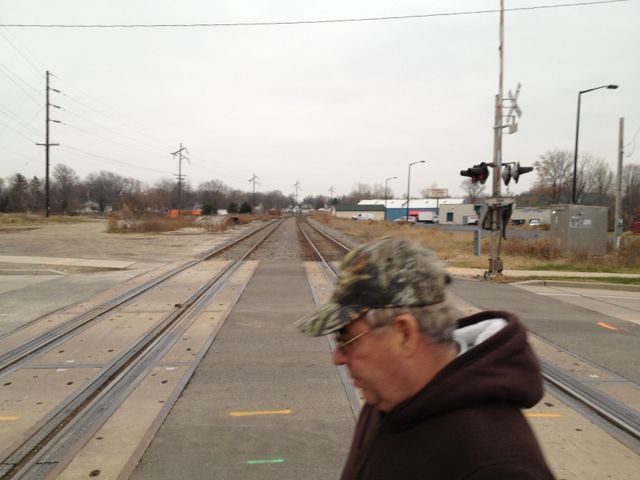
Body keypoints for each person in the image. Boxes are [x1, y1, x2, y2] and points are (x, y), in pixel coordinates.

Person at [294, 237, 554, 480]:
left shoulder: (498, 466)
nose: (337, 358)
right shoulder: (387, 396)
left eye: (346, 339)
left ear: (405, 334)